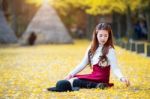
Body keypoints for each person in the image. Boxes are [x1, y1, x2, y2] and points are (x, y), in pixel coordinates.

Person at [47, 23, 130, 92]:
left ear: (109, 36)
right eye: (100, 35)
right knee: (71, 79)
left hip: (102, 78)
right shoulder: (91, 48)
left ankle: (98, 85)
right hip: (93, 76)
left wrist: (121, 78)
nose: (103, 38)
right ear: (96, 35)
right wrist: (71, 74)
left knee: (73, 82)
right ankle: (97, 85)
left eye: (105, 35)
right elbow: (83, 64)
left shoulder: (110, 50)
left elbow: (115, 68)